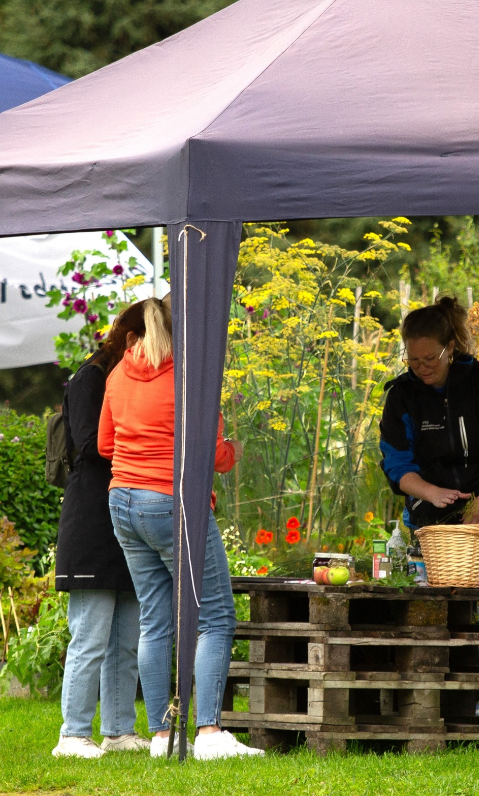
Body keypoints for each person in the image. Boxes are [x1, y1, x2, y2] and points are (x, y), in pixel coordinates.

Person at [99, 296, 262, 760]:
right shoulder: (189, 380)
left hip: (122, 500)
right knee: (214, 615)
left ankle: (159, 737)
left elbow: (105, 443)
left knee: (154, 619)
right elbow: (213, 456)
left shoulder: (117, 374)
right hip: (171, 502)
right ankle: (208, 734)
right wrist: (230, 448)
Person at [379, 296, 479, 588]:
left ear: (450, 348)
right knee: (439, 618)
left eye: (430, 359)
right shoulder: (402, 397)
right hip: (433, 525)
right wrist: (430, 492)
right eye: (413, 360)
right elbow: (396, 464)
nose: (421, 367)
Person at [52, 304, 149, 759]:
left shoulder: (129, 378)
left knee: (126, 634)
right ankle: (72, 734)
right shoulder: (92, 377)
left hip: (127, 516)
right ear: (132, 340)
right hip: (92, 517)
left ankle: (118, 729)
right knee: (90, 633)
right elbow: (91, 443)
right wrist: (147, 446)